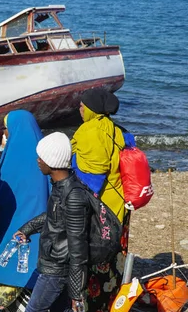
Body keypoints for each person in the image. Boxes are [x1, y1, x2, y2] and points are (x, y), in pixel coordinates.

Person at [14, 132, 91, 312]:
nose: (38, 161)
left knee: (34, 309)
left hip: (57, 269)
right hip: (53, 263)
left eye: (41, 157)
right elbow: (52, 217)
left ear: (51, 161)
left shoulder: (73, 196)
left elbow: (78, 247)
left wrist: (76, 292)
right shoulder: (60, 186)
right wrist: (27, 229)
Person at [71, 89, 129, 311]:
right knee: (115, 256)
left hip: (99, 208)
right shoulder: (115, 129)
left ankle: (92, 305)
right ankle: (114, 301)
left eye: (82, 105)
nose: (79, 108)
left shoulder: (89, 131)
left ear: (92, 110)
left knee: (96, 256)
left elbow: (92, 178)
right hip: (119, 203)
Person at [0, 110, 49, 309]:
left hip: (10, 229)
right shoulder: (45, 156)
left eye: (5, 129)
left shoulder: (11, 158)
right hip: (40, 233)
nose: (4, 134)